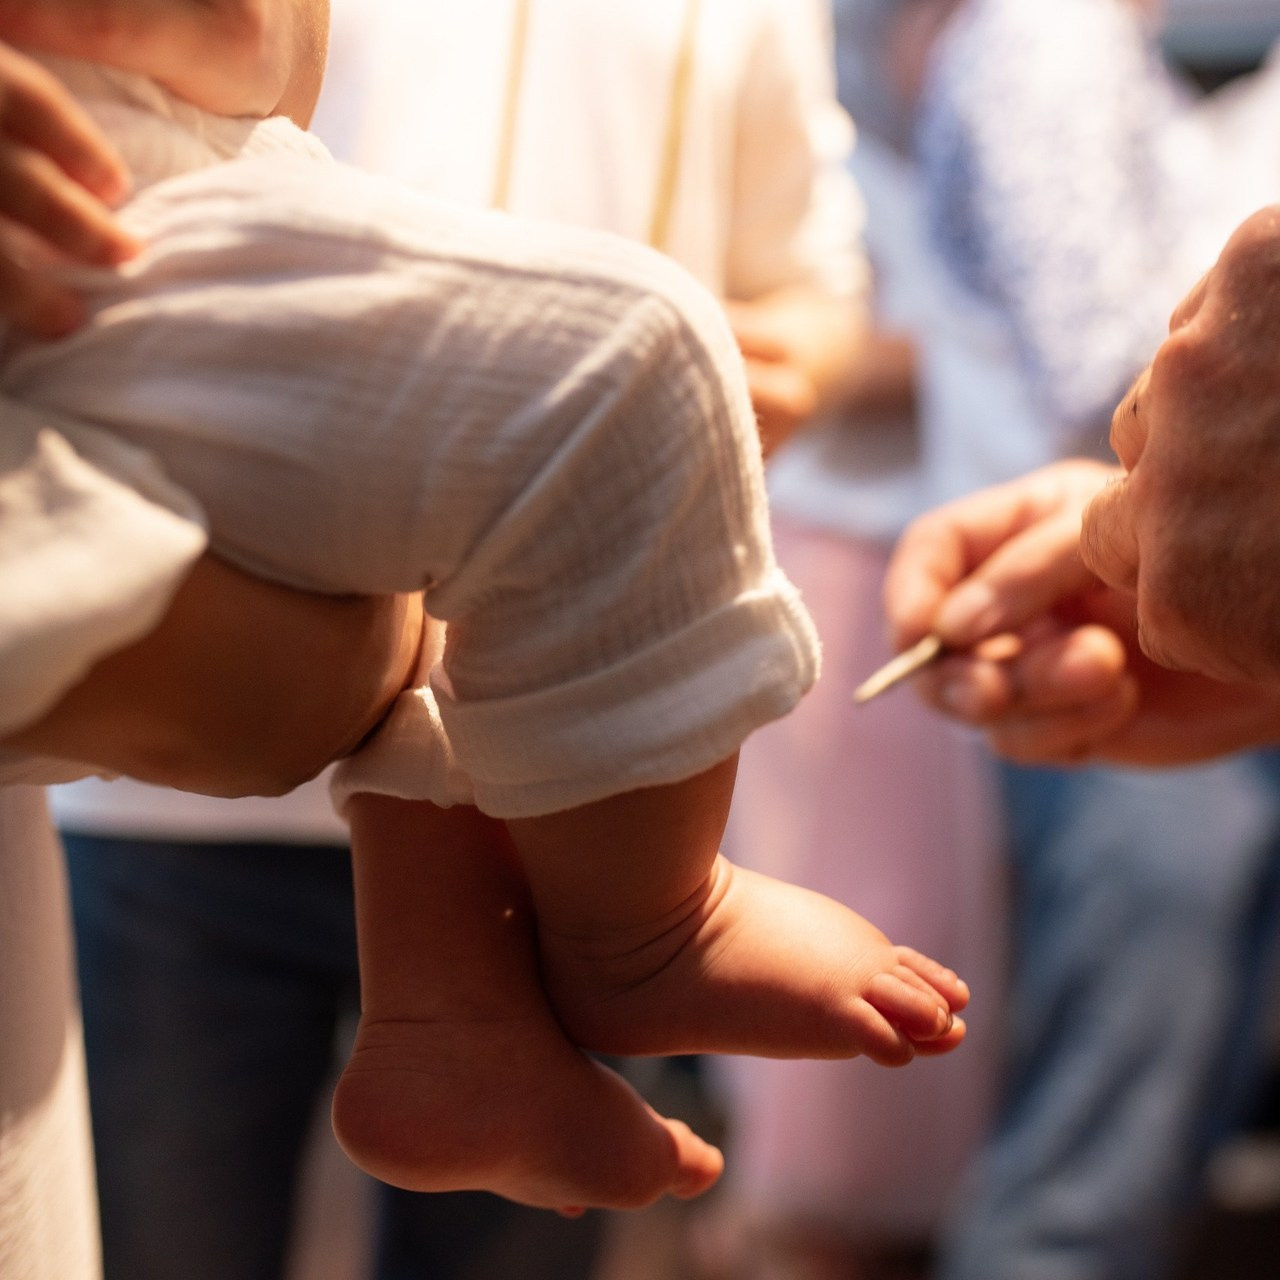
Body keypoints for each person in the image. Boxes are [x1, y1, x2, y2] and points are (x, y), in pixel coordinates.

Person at [3, 0, 970, 1221]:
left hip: (543, 763)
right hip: (175, 799)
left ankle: (450, 1018)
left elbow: (812, 274)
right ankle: (652, 932)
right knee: (630, 359)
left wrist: (781, 369)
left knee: (518, 510)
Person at [876, 2, 1280, 1277]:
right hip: (1139, 606)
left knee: (1139, 1126)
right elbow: (1107, 360)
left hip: (1173, 607)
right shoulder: (1041, 37)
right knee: (1099, 1156)